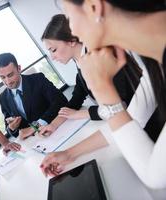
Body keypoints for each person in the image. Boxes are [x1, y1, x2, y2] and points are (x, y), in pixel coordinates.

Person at [41, 0, 166, 189]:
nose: (71, 28)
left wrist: (102, 89)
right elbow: (133, 117)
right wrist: (69, 154)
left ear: (93, 7)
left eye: (68, 15)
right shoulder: (154, 63)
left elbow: (156, 176)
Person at [39, 14, 140, 136]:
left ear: (71, 41)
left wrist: (80, 114)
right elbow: (75, 100)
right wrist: (52, 125)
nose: (52, 57)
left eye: (53, 50)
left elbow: (120, 106)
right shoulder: (81, 63)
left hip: (141, 119)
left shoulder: (101, 56)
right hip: (127, 123)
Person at [0, 53, 68, 140]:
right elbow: (9, 128)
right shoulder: (3, 98)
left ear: (19, 68)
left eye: (10, 75)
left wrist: (35, 127)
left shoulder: (37, 79)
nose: (7, 81)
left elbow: (61, 101)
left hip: (56, 128)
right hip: (33, 140)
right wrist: (12, 128)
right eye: (2, 77)